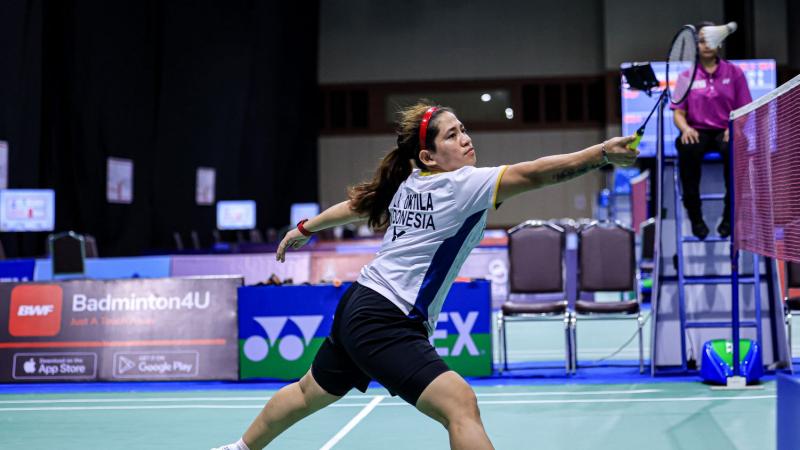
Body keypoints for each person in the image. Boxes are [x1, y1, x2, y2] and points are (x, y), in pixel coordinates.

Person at [212, 102, 637, 450]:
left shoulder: (411, 182)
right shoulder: (462, 184)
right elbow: (535, 172)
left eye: (463, 129)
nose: (465, 138)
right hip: (386, 316)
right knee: (460, 405)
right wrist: (600, 154)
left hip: (360, 304)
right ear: (429, 156)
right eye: (452, 135)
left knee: (310, 392)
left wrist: (306, 229)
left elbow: (358, 206)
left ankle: (240, 449)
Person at [671, 21, 752, 240]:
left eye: (711, 40)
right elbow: (678, 112)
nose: (706, 45)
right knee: (687, 148)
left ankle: (729, 217)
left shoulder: (734, 73)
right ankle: (695, 217)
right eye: (701, 40)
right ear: (696, 45)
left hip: (726, 130)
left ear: (720, 44)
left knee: (735, 148)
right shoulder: (685, 77)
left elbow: (745, 110)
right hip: (697, 131)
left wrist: (733, 128)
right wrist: (685, 128)